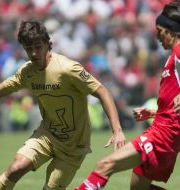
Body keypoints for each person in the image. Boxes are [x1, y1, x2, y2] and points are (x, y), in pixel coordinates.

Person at [0, 20, 126, 190]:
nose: (34, 53)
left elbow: (102, 91)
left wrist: (117, 130)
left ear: (48, 45)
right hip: (47, 135)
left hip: (73, 145)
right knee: (15, 168)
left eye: (38, 47)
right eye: (29, 48)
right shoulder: (27, 72)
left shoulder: (68, 69)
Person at [75, 2, 180, 190]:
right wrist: (155, 111)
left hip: (164, 135)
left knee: (104, 165)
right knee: (139, 189)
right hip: (165, 130)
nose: (156, 36)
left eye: (159, 30)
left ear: (171, 30)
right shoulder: (173, 56)